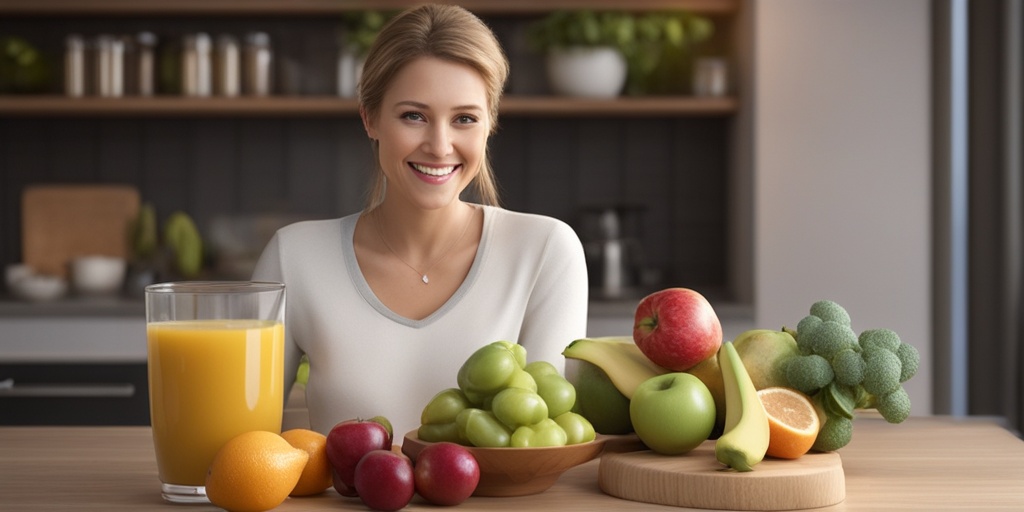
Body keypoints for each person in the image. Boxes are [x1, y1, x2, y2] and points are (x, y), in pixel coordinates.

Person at [252, 4, 589, 439]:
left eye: (465, 119)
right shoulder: (294, 257)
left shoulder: (546, 251)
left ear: (490, 125)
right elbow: (243, 443)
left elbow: (544, 442)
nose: (439, 144)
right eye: (414, 115)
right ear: (370, 118)